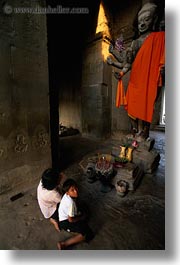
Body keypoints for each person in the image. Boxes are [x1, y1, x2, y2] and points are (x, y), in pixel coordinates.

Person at [107, 2, 165, 140]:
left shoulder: (160, 38)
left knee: (146, 106)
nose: (143, 24)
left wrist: (163, 69)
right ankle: (135, 130)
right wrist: (118, 69)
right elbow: (127, 63)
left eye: (147, 19)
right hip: (136, 80)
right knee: (131, 105)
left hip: (149, 79)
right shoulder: (135, 43)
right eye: (140, 21)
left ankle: (143, 133)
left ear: (154, 19)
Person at [57, 178, 94, 250]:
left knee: (84, 208)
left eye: (76, 188)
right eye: (72, 190)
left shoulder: (66, 195)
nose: (76, 191)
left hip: (64, 216)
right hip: (65, 222)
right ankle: (64, 244)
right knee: (87, 233)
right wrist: (81, 218)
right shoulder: (71, 204)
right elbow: (70, 220)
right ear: (67, 192)